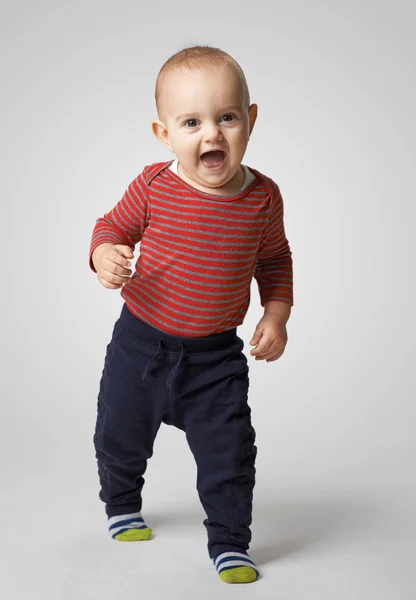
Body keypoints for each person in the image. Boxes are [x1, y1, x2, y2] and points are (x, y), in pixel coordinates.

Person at [89, 45, 294, 584]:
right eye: (191, 122)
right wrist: (103, 255)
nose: (212, 134)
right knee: (119, 433)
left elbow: (274, 260)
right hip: (140, 346)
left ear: (250, 120)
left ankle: (230, 542)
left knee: (230, 452)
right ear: (164, 133)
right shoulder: (154, 185)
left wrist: (277, 314)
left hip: (216, 358)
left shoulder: (263, 198)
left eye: (227, 117)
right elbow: (110, 228)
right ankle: (121, 502)